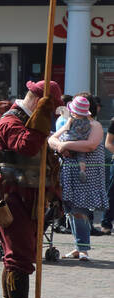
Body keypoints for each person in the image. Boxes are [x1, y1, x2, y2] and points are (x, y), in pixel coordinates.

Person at [0, 80, 59, 298]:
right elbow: (26, 147)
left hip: (27, 197)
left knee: (15, 255)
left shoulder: (24, 120)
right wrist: (41, 118)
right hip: (14, 197)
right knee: (19, 256)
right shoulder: (11, 122)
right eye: (49, 108)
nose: (52, 114)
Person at [49, 93, 106, 261]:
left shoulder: (95, 125)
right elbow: (52, 138)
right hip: (69, 172)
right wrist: (60, 145)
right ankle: (78, 246)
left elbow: (90, 145)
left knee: (79, 210)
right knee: (71, 210)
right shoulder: (70, 122)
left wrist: (65, 144)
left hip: (86, 174)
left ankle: (83, 248)